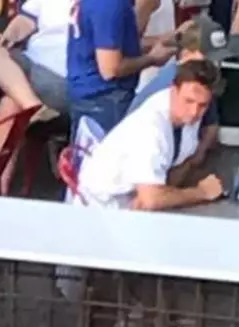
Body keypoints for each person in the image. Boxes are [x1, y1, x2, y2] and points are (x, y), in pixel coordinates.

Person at [78, 59, 224, 209]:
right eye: (189, 101)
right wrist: (202, 192)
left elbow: (179, 168)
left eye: (202, 105)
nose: (194, 112)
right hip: (102, 207)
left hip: (135, 198)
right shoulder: (151, 128)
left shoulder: (186, 114)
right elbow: (150, 200)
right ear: (173, 90)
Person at [130, 14, 225, 180]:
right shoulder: (169, 89)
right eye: (208, 59)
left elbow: (211, 126)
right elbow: (151, 191)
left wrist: (198, 153)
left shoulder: (202, 79)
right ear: (187, 55)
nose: (214, 65)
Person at [66, 0, 175, 134]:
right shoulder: (110, 5)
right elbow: (110, 69)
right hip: (105, 100)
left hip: (91, 95)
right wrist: (152, 59)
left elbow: (112, 48)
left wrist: (161, 41)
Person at [0, 0, 71, 139]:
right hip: (32, 61)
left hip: (63, 76)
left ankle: (32, 109)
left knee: (11, 102)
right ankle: (34, 108)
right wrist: (7, 37)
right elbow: (26, 19)